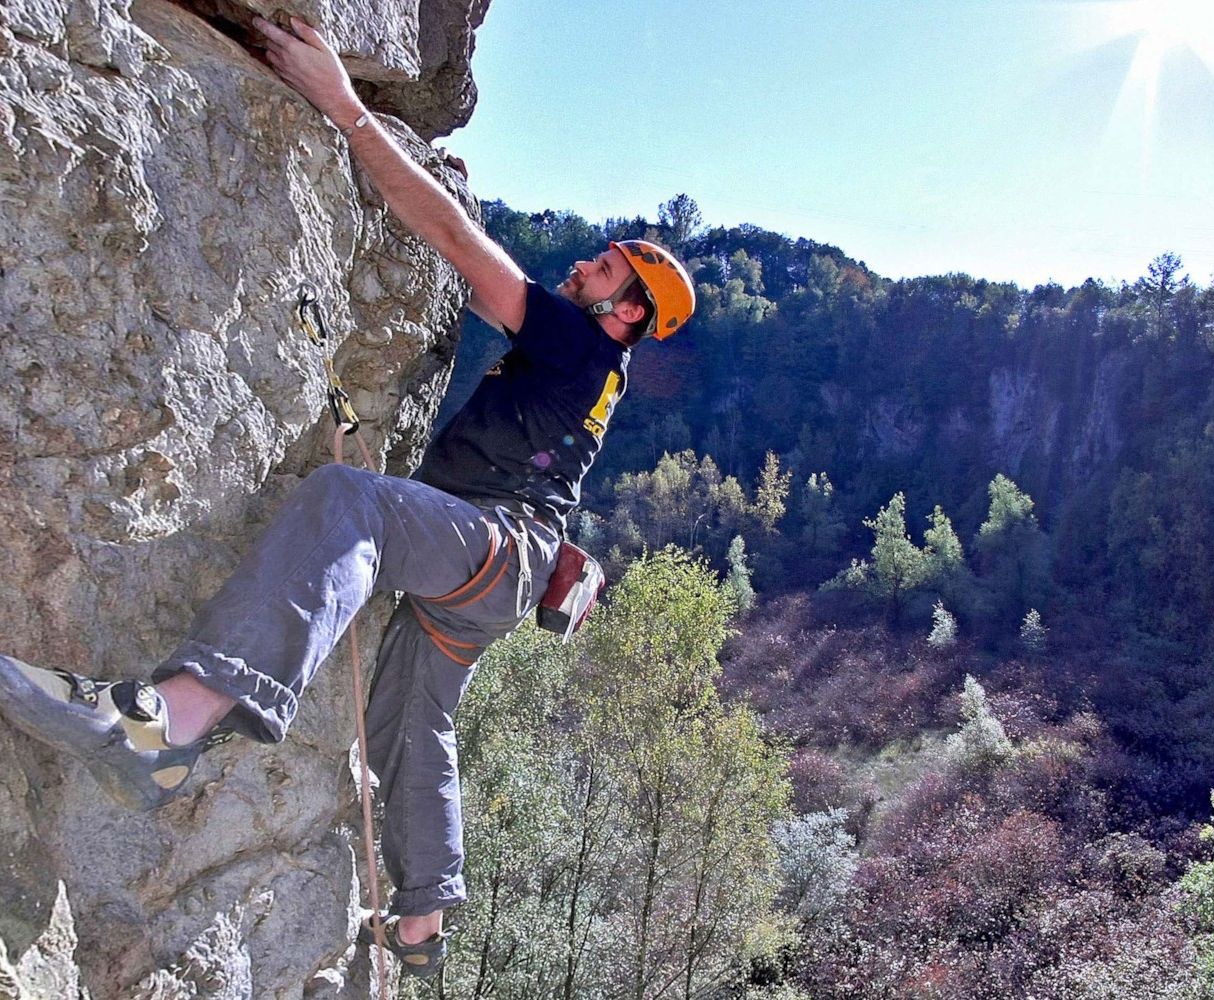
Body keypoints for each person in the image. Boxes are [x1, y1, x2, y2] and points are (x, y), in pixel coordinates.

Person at [0, 14, 694, 978]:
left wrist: (346, 108)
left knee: (349, 502)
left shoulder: (582, 344)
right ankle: (421, 923)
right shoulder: (597, 369)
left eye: (607, 268)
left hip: (496, 545)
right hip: (501, 568)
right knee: (417, 721)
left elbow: (456, 238)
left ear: (626, 314)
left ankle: (173, 721)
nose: (585, 263)